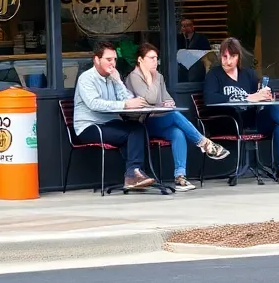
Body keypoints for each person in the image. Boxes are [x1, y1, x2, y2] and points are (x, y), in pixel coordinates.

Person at [203, 37, 279, 185]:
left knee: (278, 120)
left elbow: (258, 96)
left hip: (252, 119)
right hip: (229, 121)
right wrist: (248, 97)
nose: (228, 61)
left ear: (238, 56)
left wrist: (265, 95)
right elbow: (210, 98)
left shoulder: (248, 74)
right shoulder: (214, 75)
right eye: (224, 56)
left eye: (232, 56)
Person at [125, 43, 229, 191]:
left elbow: (167, 99)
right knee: (174, 115)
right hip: (144, 123)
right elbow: (151, 98)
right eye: (151, 58)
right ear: (140, 60)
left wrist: (168, 102)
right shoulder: (134, 77)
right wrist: (149, 78)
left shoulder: (159, 76)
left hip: (160, 119)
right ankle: (204, 143)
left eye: (156, 58)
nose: (155, 61)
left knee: (177, 132)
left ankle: (180, 177)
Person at [72, 41, 156, 190]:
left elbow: (127, 98)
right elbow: (94, 104)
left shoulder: (112, 77)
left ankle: (134, 173)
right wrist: (125, 105)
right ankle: (133, 174)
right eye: (108, 59)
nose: (113, 63)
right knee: (131, 133)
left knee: (138, 128)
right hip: (89, 127)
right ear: (97, 60)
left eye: (115, 59)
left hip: (110, 123)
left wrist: (118, 81)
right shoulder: (86, 78)